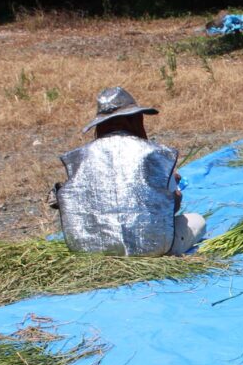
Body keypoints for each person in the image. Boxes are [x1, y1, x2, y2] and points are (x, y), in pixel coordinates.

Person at [53, 87, 205, 257]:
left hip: (90, 250)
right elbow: (170, 208)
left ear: (101, 125)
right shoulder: (154, 153)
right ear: (135, 119)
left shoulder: (79, 157)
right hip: (151, 247)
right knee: (197, 220)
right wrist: (175, 193)